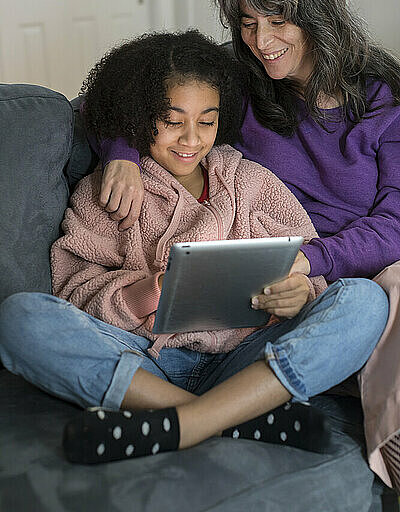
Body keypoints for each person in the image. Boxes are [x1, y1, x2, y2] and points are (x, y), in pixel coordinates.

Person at [89, 0, 400, 486]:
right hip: (261, 262)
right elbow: (133, 99)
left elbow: (397, 223)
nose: (262, 40)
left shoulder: (383, 97)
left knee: (375, 296)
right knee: (21, 318)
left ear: (318, 13)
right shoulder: (242, 86)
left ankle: (190, 418)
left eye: (278, 20)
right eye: (248, 23)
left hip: (351, 263)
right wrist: (122, 154)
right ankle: (223, 415)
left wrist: (312, 260)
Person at [0, 30, 388, 466]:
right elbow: (72, 292)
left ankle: (189, 423)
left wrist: (299, 295)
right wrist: (145, 292)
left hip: (246, 358)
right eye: (171, 121)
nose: (190, 139)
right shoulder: (107, 191)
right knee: (21, 317)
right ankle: (235, 419)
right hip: (146, 362)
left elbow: (304, 262)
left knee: (365, 300)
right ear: (140, 115)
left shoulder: (251, 181)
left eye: (206, 121)